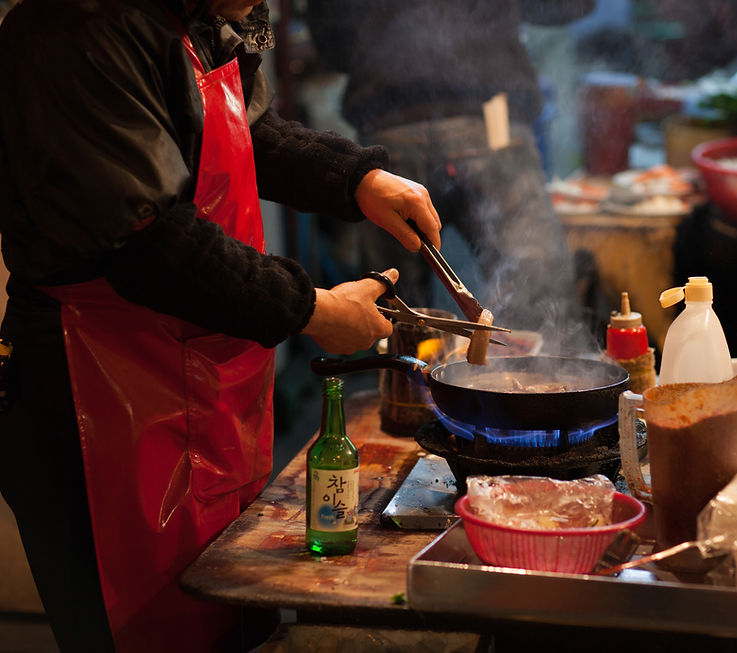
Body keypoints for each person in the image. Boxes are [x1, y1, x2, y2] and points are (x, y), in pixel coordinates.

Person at [0, 0, 441, 651]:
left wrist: (357, 179)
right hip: (96, 393)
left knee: (230, 620)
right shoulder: (76, 29)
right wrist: (313, 309)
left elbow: (244, 129)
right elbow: (151, 244)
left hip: (201, 378)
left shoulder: (201, 14)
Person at [307, 0, 597, 352]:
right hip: (490, 117)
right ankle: (543, 398)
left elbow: (330, 40)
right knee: (534, 300)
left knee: (394, 316)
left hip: (389, 124)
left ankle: (407, 400)